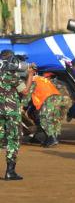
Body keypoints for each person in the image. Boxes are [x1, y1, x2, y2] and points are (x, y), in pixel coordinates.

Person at [0, 50, 34, 180]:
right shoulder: (11, 75)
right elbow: (25, 91)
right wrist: (30, 74)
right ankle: (10, 172)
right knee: (13, 139)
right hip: (11, 112)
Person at [24, 73, 71, 148]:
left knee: (45, 119)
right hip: (56, 98)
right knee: (54, 119)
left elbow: (27, 95)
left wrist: (22, 106)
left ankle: (52, 139)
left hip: (48, 99)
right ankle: (50, 138)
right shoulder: (40, 79)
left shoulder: (33, 81)